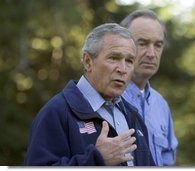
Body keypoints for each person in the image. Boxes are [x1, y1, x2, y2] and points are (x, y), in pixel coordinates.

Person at [24, 23, 155, 166]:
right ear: (87, 62)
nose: (123, 69)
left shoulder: (133, 116)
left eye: (129, 61)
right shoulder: (56, 112)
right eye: (114, 58)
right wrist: (96, 160)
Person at [120, 9, 178, 166]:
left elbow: (168, 159)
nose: (152, 53)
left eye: (158, 45)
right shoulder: (106, 99)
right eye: (142, 43)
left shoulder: (161, 105)